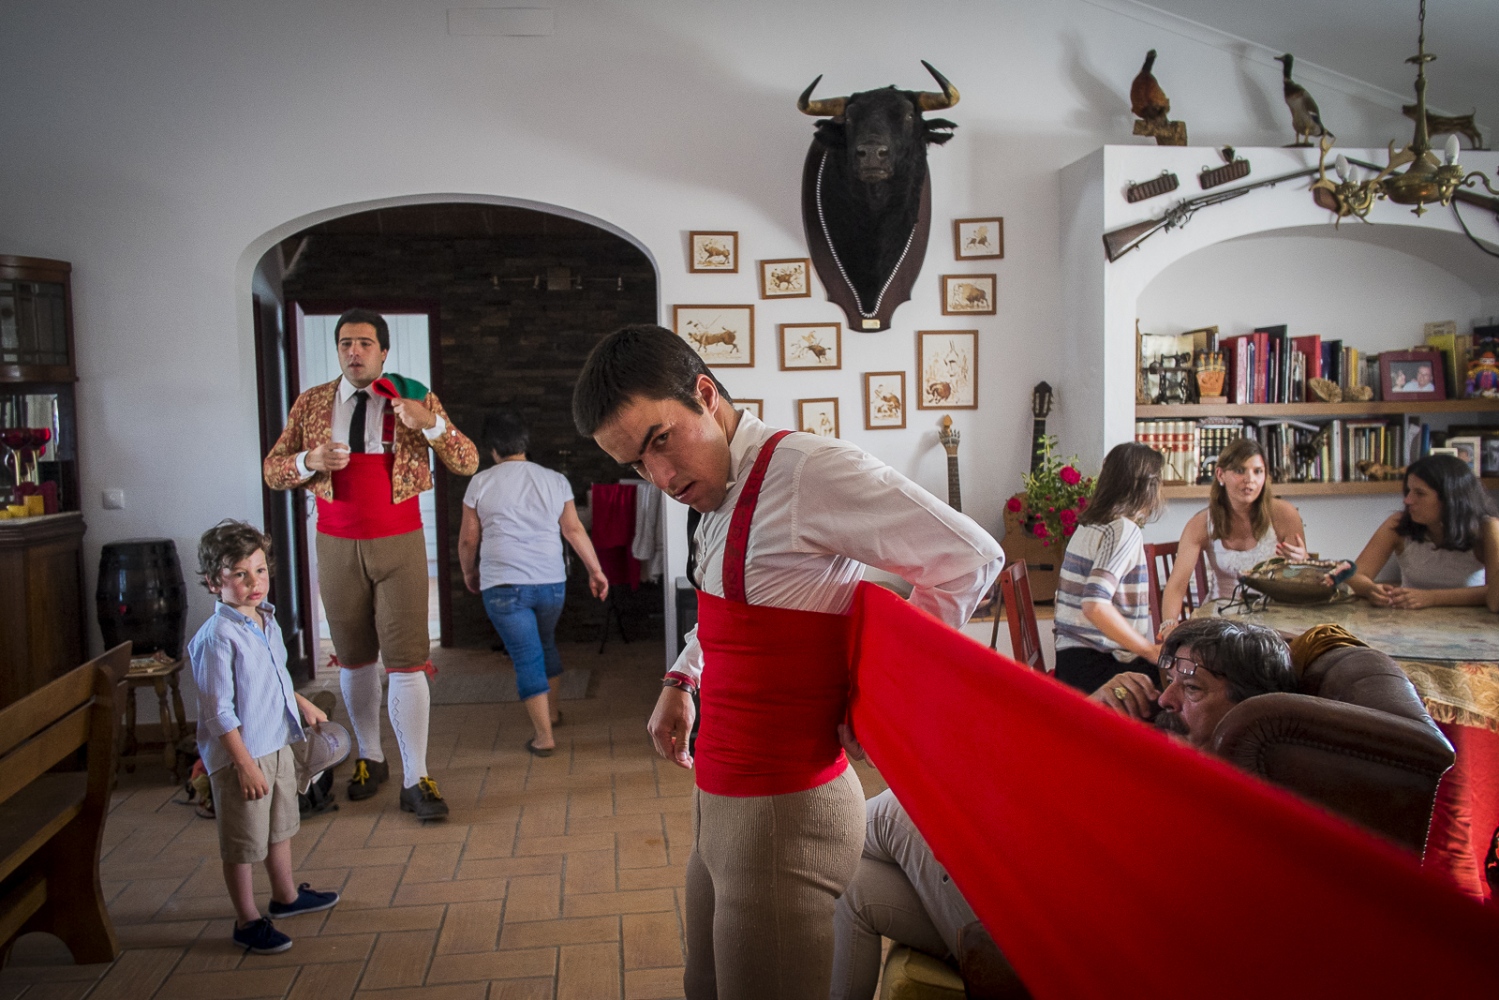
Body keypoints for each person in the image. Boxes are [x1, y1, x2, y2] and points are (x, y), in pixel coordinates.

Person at [572, 324, 1002, 1000]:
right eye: (635, 464)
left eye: (661, 441)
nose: (659, 477)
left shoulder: (805, 469)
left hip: (787, 809)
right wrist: (681, 680)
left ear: (704, 395)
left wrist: (883, 697)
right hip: (721, 795)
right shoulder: (714, 487)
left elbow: (970, 558)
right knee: (703, 986)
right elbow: (727, 613)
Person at [830, 617, 1298, 999]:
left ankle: (809, 840)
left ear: (1246, 710)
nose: (1166, 697)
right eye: (1168, 678)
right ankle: (812, 849)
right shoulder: (1175, 756)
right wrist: (1091, 718)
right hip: (1039, 894)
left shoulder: (1222, 799)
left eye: (1192, 689)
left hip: (1050, 945)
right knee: (853, 883)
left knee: (889, 815)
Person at [263, 309, 478, 819]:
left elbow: (467, 461)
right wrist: (305, 463)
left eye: (364, 343)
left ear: (383, 352)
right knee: (355, 657)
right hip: (335, 544)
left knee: (405, 659)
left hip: (400, 541)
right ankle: (370, 757)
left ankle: (415, 776)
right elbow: (272, 470)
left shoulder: (412, 396)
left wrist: (433, 425)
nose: (353, 351)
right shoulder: (312, 402)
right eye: (345, 343)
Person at [190, 520, 341, 954]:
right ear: (213, 581)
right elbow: (219, 711)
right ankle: (247, 919)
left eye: (259, 570)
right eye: (239, 574)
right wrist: (243, 764)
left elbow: (273, 679)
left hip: (276, 743)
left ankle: (286, 896)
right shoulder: (217, 639)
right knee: (243, 840)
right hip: (244, 756)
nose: (253, 583)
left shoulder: (266, 621)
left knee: (279, 826)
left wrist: (303, 703)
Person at [458, 409, 609, 756]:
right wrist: (595, 570)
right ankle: (551, 714)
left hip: (503, 585)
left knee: (526, 656)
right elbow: (572, 529)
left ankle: (543, 737)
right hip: (550, 583)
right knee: (545, 644)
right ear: (524, 442)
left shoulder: (481, 482)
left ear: (491, 448)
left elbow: (469, 540)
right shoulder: (554, 480)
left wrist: (469, 571)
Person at [1159, 437, 1307, 631]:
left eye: (1258, 471)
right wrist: (1169, 625)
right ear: (1220, 475)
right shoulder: (1201, 523)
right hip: (1220, 620)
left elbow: (1302, 584)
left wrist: (1302, 563)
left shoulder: (1285, 514)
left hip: (1275, 620)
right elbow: (1176, 585)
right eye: (1239, 470)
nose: (1250, 479)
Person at [1052, 441, 1164, 694]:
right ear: (1148, 486)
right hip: (1099, 665)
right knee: (1189, 679)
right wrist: (1148, 650)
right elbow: (1095, 605)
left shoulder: (1089, 525)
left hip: (1071, 664)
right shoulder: (1123, 530)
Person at [1345, 454, 1499, 611]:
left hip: (1469, 626)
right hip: (1409, 621)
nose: (1407, 500)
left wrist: (1432, 598)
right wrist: (1370, 589)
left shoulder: (1487, 529)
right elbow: (1355, 575)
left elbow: (1494, 596)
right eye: (1409, 491)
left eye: (1420, 493)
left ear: (1450, 497)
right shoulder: (1398, 524)